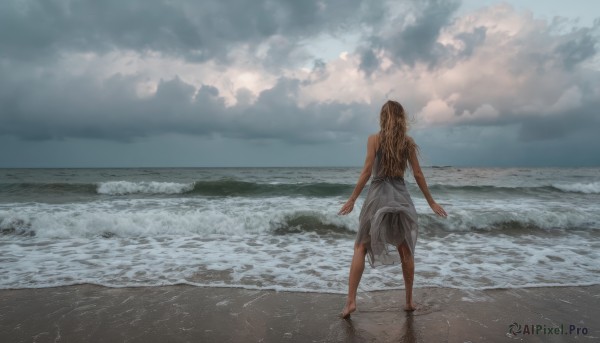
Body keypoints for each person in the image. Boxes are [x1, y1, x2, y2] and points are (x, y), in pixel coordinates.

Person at [338, 100, 447, 319]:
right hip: (400, 195)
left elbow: (367, 172)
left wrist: (352, 199)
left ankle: (350, 302)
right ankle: (408, 301)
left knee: (360, 246)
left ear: (382, 118)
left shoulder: (374, 140)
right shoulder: (407, 142)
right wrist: (431, 202)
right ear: (401, 118)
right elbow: (417, 174)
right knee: (405, 248)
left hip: (377, 195)